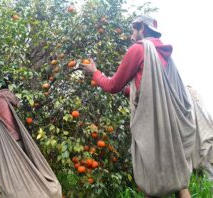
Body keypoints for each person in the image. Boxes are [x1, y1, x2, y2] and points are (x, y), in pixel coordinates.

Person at [81, 16, 196, 198]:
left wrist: (95, 73)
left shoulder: (139, 49)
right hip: (170, 121)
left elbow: (112, 86)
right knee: (179, 180)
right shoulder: (163, 52)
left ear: (141, 28)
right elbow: (151, 90)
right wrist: (130, 91)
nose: (131, 36)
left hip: (152, 124)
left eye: (133, 30)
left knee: (150, 177)